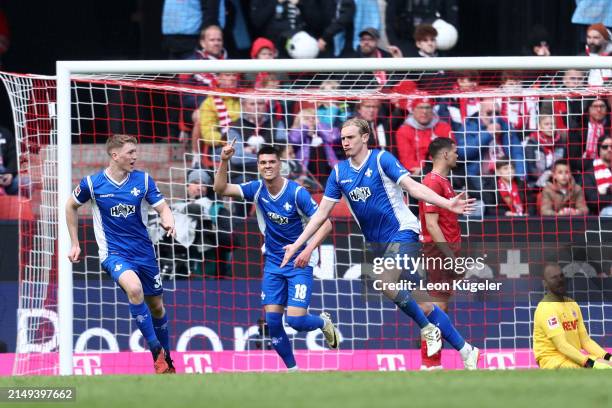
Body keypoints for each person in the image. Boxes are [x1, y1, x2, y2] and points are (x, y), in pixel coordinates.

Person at [281, 118, 480, 369]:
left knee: (384, 279)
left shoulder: (381, 159)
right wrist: (299, 244)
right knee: (425, 304)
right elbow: (320, 215)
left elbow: (412, 187)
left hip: (403, 232)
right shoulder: (339, 173)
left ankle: (428, 329)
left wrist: (447, 203)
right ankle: (467, 350)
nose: (345, 142)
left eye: (350, 137)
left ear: (365, 137)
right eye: (342, 138)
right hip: (379, 245)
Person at [213, 142, 339, 370]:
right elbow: (221, 189)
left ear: (280, 164)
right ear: (258, 166)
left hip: (300, 261)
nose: (267, 166)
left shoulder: (297, 193)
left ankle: (323, 322)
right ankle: (292, 370)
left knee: (296, 321)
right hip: (273, 262)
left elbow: (326, 224)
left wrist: (308, 250)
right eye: (263, 163)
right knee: (272, 322)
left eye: (272, 162)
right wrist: (224, 160)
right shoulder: (256, 189)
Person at [65, 134, 177, 374]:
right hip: (113, 253)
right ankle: (156, 350)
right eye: (130, 153)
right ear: (115, 155)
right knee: (134, 290)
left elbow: (163, 207)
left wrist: (169, 221)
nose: (135, 157)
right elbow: (70, 206)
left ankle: (166, 360)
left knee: (156, 306)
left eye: (135, 152)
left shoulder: (143, 181)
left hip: (144, 253)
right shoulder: (92, 184)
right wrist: (74, 243)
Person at [417, 137, 463, 369]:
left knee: (441, 307)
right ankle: (429, 362)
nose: (457, 155)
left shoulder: (443, 182)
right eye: (454, 151)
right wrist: (450, 257)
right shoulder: (432, 183)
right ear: (445, 155)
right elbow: (432, 225)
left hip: (445, 252)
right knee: (436, 308)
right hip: (437, 252)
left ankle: (432, 361)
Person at [533, 263, 612, 369]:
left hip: (572, 358)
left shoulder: (572, 304)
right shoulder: (546, 308)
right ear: (545, 284)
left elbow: (586, 341)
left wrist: (608, 357)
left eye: (561, 276)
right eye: (554, 278)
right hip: (553, 362)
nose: (560, 280)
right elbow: (562, 346)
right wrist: (590, 364)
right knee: (602, 368)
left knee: (608, 365)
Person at [395, 94, 452, 176]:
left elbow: (450, 154)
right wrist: (424, 170)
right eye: (420, 107)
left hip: (443, 172)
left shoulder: (444, 127)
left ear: (432, 110)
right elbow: (406, 160)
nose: (424, 111)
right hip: (417, 174)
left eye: (427, 107)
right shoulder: (404, 131)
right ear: (413, 110)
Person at [581, 135, 612, 215]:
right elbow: (593, 200)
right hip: (602, 212)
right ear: (599, 150)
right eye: (605, 147)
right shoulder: (589, 174)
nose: (609, 149)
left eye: (611, 146)